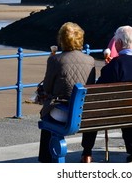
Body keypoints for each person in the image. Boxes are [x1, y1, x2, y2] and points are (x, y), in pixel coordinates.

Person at [81, 25, 132, 163]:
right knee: (131, 105)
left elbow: (98, 91)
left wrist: (108, 67)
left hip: (122, 112)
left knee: (92, 108)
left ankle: (87, 152)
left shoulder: (116, 64)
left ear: (119, 43)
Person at [38, 22, 96, 163]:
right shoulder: (90, 60)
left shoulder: (55, 60)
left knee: (46, 114)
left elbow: (47, 88)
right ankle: (87, 152)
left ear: (62, 40)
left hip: (63, 113)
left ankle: (45, 158)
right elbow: (90, 86)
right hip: (84, 113)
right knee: (86, 109)